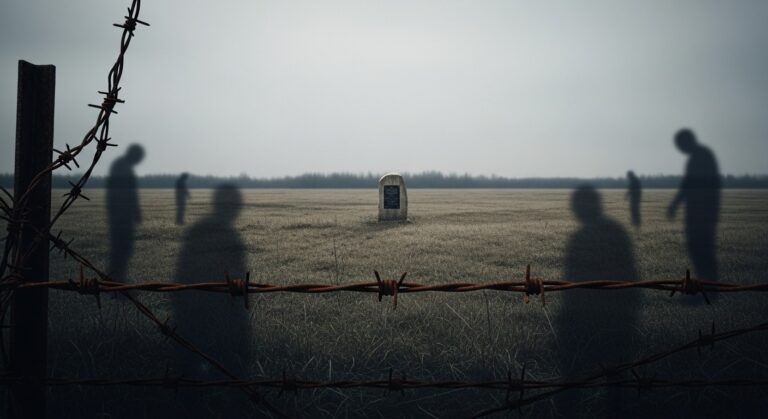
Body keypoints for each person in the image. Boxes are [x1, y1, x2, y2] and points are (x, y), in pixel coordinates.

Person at [556, 185, 641, 417]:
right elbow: (631, 281)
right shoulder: (617, 233)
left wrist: (567, 319)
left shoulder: (580, 238)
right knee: (615, 378)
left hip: (584, 321)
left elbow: (572, 288)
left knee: (574, 377)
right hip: (618, 320)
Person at [171, 184, 251, 417]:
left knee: (192, 367)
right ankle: (232, 404)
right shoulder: (228, 238)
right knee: (233, 361)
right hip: (213, 316)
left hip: (190, 314)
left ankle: (192, 404)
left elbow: (182, 275)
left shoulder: (199, 231)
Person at [667, 129, 721, 283]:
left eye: (679, 145)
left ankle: (707, 287)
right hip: (699, 212)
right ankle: (705, 286)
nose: (679, 149)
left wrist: (675, 204)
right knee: (698, 249)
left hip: (701, 213)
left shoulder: (701, 156)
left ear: (687, 141)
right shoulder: (699, 156)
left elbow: (690, 184)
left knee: (701, 249)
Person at [106, 144, 144, 282]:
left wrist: (135, 210)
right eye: (139, 157)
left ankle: (117, 279)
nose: (140, 160)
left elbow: (130, 192)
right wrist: (128, 211)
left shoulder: (123, 166)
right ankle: (115, 281)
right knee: (121, 249)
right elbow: (122, 192)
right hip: (121, 216)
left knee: (123, 248)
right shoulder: (122, 167)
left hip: (123, 215)